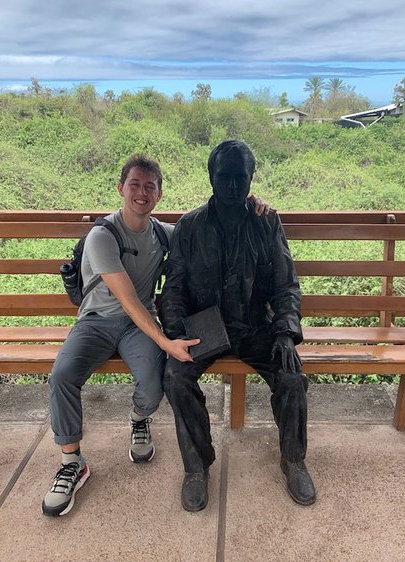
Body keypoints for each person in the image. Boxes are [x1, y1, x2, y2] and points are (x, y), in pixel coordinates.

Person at [42, 154, 274, 517]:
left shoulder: (162, 232)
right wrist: (165, 341)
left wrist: (250, 200)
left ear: (159, 194)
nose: (142, 193)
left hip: (138, 327)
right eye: (134, 184)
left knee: (154, 386)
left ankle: (139, 418)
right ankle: (72, 460)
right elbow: (129, 299)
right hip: (97, 322)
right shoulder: (102, 237)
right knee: (62, 377)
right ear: (121, 188)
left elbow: (199, 232)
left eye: (150, 186)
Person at [161, 140, 314, 512]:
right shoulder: (189, 226)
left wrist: (284, 331)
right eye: (224, 177)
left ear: (251, 179)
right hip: (205, 326)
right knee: (176, 377)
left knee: (292, 376)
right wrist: (176, 334)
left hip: (255, 326)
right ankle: (196, 467)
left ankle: (293, 459)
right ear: (211, 177)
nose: (232, 186)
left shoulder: (266, 222)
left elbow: (285, 285)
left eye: (240, 177)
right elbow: (174, 288)